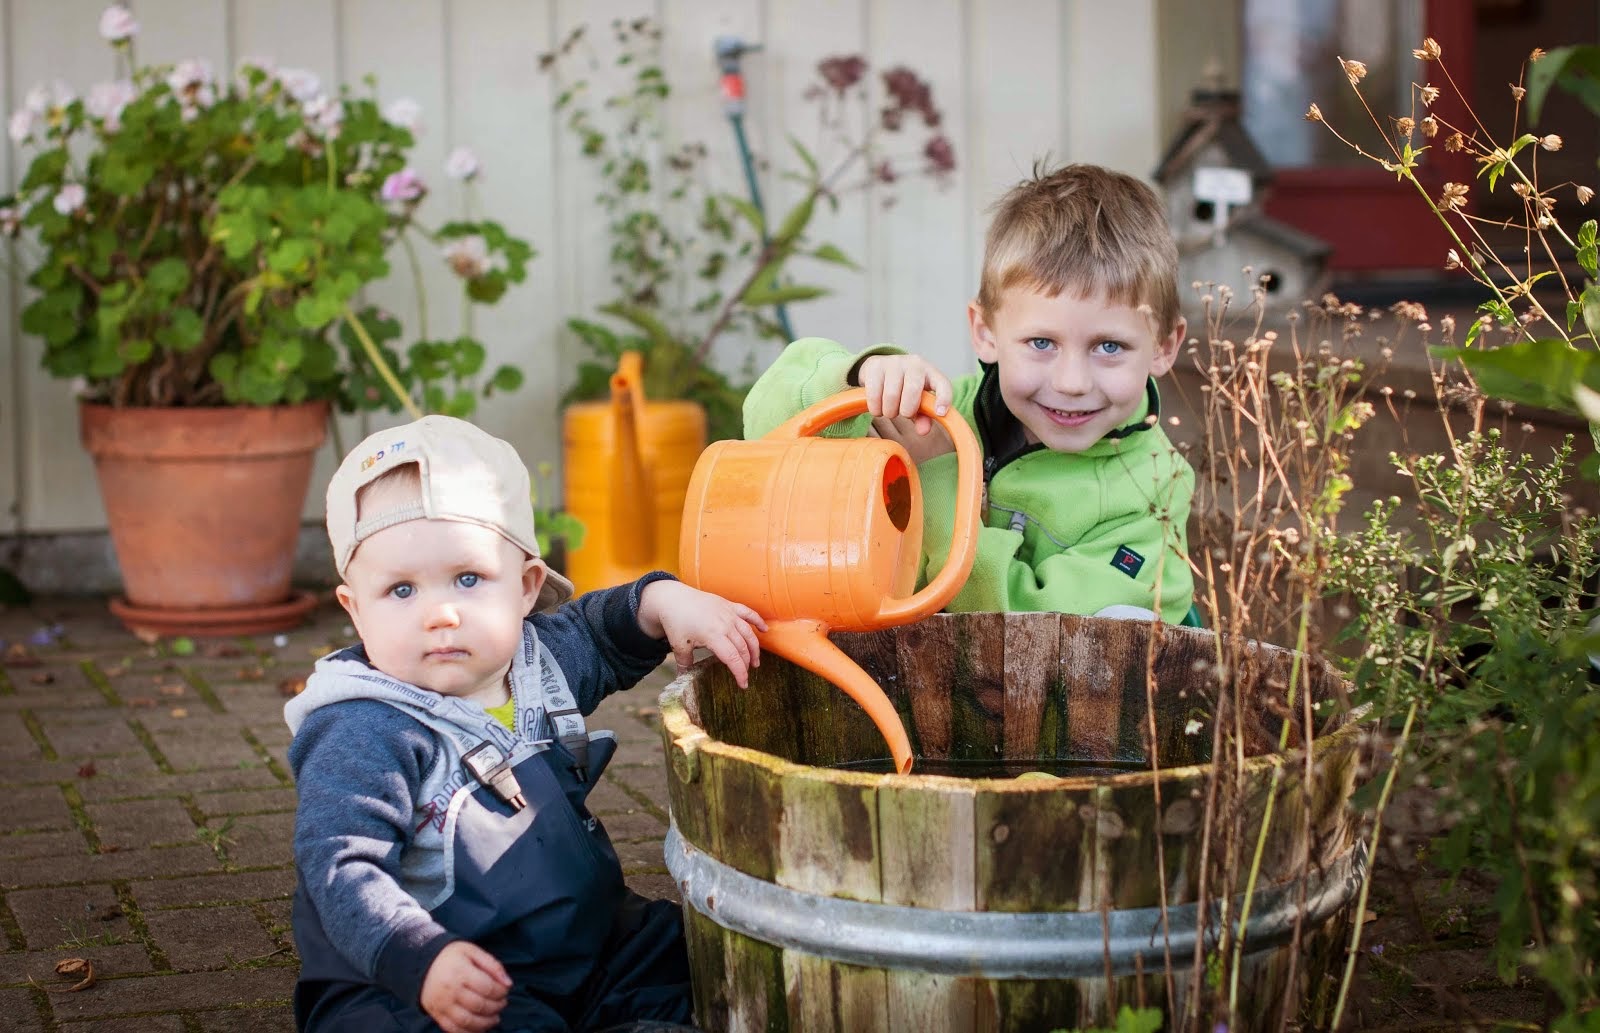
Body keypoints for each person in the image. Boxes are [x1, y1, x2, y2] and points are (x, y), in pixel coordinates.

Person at [285, 414, 765, 1033]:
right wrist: (418, 958)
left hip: (576, 946)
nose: (441, 614)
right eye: (401, 590)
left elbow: (603, 629)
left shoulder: (539, 661)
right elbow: (341, 867)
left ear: (526, 586)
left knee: (675, 953)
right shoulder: (363, 728)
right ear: (355, 609)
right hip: (431, 979)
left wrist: (664, 601)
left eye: (467, 578)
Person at [744, 161, 1195, 622]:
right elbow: (765, 436)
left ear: (1163, 347)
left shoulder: (1151, 494)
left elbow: (1038, 633)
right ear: (984, 331)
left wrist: (939, 478)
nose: (1071, 383)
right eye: (1042, 343)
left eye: (1109, 346)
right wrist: (857, 380)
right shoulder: (937, 413)